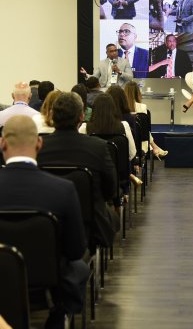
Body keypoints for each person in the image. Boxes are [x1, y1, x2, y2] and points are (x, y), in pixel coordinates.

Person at [0, 115, 89, 326]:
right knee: (80, 268)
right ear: (39, 142)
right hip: (48, 284)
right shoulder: (63, 190)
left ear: (2, 143)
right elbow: (76, 250)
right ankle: (59, 318)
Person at [37, 92, 119, 249]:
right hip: (90, 225)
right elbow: (111, 189)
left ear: (52, 115)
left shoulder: (38, 148)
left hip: (46, 223)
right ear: (81, 116)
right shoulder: (98, 147)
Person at [79, 93, 137, 162]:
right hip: (118, 171)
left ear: (94, 109)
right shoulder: (124, 126)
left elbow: (79, 153)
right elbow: (132, 153)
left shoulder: (84, 128)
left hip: (93, 171)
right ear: (113, 109)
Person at [124, 81, 168, 160]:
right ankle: (155, 147)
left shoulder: (121, 107)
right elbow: (144, 129)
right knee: (143, 128)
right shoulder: (142, 107)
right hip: (140, 143)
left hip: (124, 141)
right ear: (137, 92)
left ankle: (155, 147)